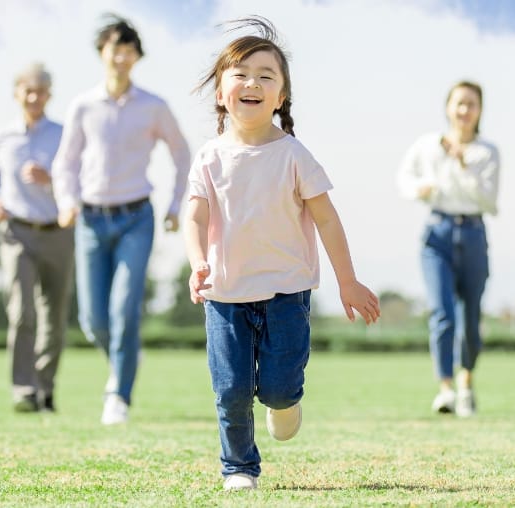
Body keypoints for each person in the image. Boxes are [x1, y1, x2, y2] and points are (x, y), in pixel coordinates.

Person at [184, 17, 380, 491]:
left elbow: (328, 219)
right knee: (230, 390)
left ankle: (285, 401)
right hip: (226, 295)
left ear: (281, 97)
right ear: (220, 92)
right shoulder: (209, 157)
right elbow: (194, 216)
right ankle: (239, 468)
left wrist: (347, 280)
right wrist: (197, 262)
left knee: (277, 384)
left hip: (287, 293)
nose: (252, 82)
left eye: (266, 76)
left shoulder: (294, 155)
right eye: (240, 73)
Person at [52, 13, 191, 425]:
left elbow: (182, 154)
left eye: (129, 50)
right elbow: (66, 162)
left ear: (136, 56)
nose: (121, 57)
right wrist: (66, 201)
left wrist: (175, 205)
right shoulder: (83, 105)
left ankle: (119, 394)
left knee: (124, 309)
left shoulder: (153, 106)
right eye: (115, 48)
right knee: (93, 319)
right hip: (91, 220)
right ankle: (126, 355)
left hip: (136, 217)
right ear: (102, 53)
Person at [397, 81, 499, 418]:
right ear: (448, 107)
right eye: (459, 103)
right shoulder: (427, 145)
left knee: (470, 318)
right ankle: (445, 389)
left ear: (480, 110)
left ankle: (466, 383)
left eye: (471, 104)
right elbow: (405, 177)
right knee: (442, 314)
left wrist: (463, 163)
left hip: (472, 233)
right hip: (436, 233)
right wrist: (419, 190)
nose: (464, 110)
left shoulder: (487, 152)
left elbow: (488, 199)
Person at [0, 62, 74, 413]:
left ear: (49, 95)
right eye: (28, 90)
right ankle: (23, 389)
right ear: (17, 93)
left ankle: (44, 388)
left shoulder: (63, 135)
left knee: (54, 316)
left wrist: (50, 179)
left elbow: (75, 181)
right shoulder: (1, 136)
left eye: (41, 91)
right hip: (16, 232)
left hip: (57, 232)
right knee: (22, 313)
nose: (34, 97)